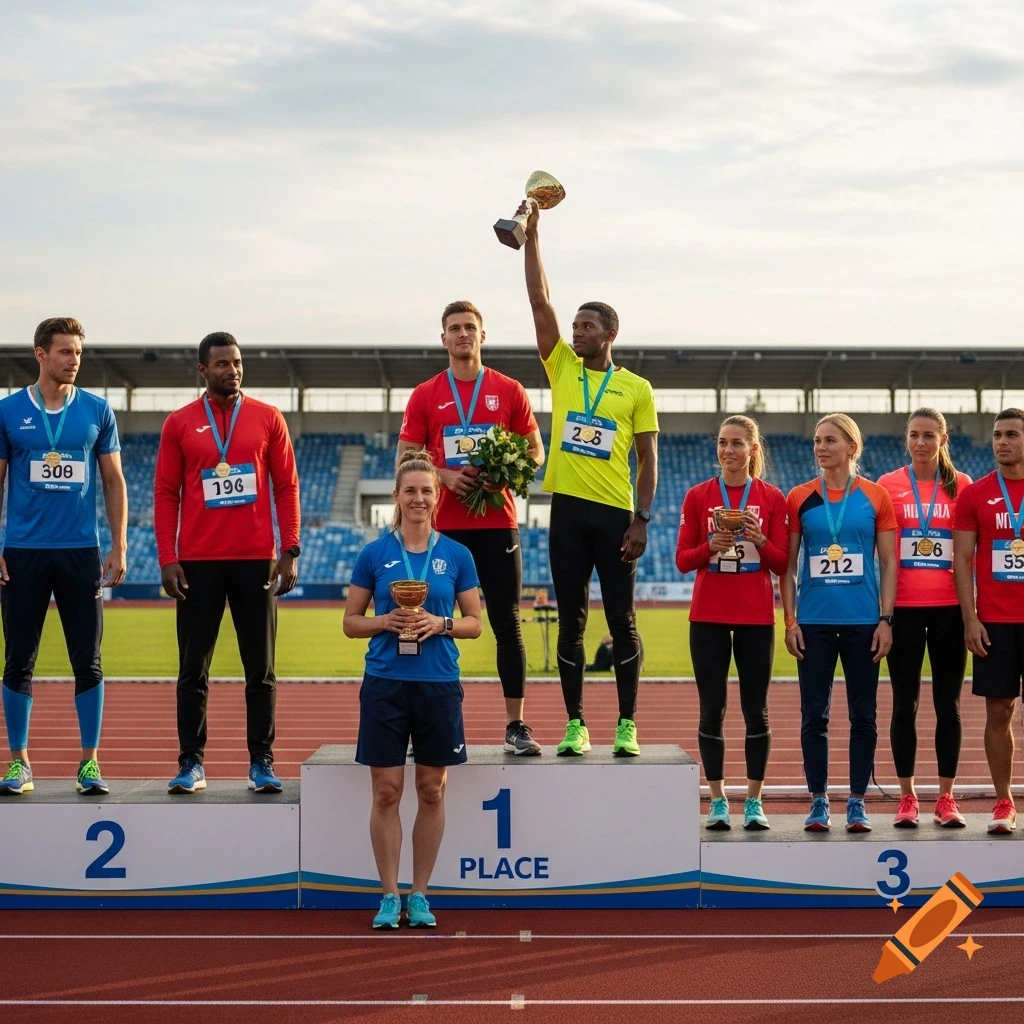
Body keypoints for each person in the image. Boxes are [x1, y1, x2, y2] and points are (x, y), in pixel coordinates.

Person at [516, 197, 659, 757]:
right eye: (574, 325)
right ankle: (575, 723)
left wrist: (642, 520)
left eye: (587, 326)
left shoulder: (637, 389)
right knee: (571, 623)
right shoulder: (563, 370)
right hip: (568, 512)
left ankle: (627, 723)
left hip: (616, 518)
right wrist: (532, 236)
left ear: (610, 333)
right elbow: (538, 300)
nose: (575, 332)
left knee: (622, 622)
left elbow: (647, 459)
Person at [154, 332, 300, 795]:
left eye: (236, 363)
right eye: (221, 364)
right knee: (193, 670)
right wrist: (168, 557)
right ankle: (191, 763)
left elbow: (286, 487)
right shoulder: (179, 423)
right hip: (197, 564)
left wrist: (289, 548)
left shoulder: (267, 417)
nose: (231, 370)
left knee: (261, 669)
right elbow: (165, 494)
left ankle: (261, 762)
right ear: (203, 370)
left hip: (256, 561)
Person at [398, 300, 545, 756]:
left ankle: (516, 726)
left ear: (483, 336)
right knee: (420, 622)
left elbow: (536, 451)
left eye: (470, 328)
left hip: (497, 524)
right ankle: (418, 722)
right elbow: (406, 456)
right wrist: (442, 475)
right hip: (443, 530)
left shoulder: (509, 389)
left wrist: (508, 473)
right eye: (454, 328)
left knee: (507, 623)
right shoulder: (425, 394)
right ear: (443, 338)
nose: (463, 334)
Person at [344, 451, 482, 929]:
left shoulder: (457, 556)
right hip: (385, 684)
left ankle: (419, 893)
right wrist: (385, 621)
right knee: (385, 791)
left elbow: (475, 624)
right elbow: (350, 623)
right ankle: (388, 893)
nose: (418, 498)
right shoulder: (374, 554)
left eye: (426, 490)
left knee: (431, 790)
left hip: (439, 685)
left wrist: (440, 623)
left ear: (436, 497)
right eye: (410, 491)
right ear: (396, 499)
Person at [0, 317, 127, 796]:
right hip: (23, 553)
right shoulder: (8, 412)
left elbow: (114, 480)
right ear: (40, 354)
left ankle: (89, 763)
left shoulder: (96, 410)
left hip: (80, 553)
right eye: (65, 352)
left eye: (78, 352)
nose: (74, 360)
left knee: (88, 661)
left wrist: (120, 543)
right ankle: (20, 764)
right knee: (17, 660)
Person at [781, 414, 897, 832]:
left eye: (830, 440)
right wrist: (790, 620)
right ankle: (818, 800)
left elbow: (888, 562)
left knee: (863, 715)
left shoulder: (875, 496)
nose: (821, 447)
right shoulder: (799, 497)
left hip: (863, 621)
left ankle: (857, 802)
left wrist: (886, 619)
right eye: (816, 440)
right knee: (814, 714)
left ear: (852, 446)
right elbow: (788, 566)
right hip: (813, 623)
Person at [676, 415, 789, 831]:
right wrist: (710, 546)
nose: (729, 450)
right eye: (723, 443)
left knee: (756, 711)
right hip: (707, 617)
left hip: (756, 618)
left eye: (737, 443)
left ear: (753, 450)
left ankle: (755, 801)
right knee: (712, 711)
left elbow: (782, 562)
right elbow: (682, 560)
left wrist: (760, 540)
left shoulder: (771, 497)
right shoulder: (698, 496)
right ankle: (719, 799)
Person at [878, 409, 971, 828]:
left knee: (947, 705)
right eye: (914, 435)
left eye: (929, 435)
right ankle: (907, 796)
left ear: (943, 439)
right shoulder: (888, 486)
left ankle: (947, 797)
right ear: (906, 439)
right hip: (905, 611)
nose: (920, 442)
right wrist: (884, 613)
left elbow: (970, 554)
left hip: (951, 609)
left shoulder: (962, 486)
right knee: (905, 703)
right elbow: (885, 558)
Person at [954, 408, 1024, 835]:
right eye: (997, 435)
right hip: (995, 621)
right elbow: (962, 561)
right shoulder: (975, 494)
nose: (1002, 442)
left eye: (1012, 435)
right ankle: (1003, 801)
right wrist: (970, 618)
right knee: (999, 710)